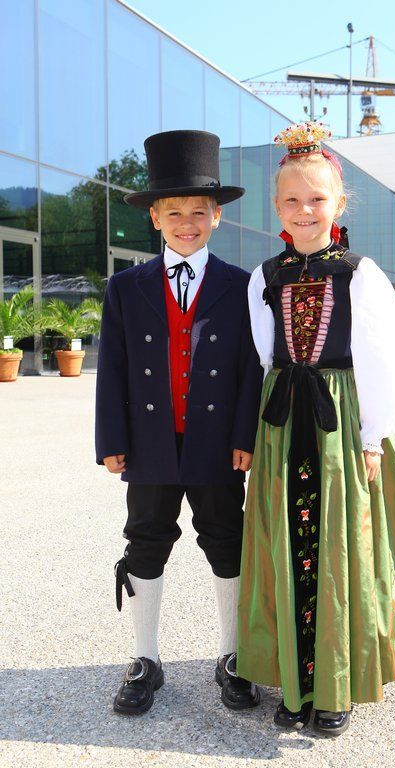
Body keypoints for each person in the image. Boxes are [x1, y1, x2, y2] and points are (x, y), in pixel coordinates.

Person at [237, 123, 395, 736]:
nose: (305, 210)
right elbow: (263, 358)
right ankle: (293, 682)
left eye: (317, 198)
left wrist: (374, 436)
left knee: (338, 543)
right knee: (287, 543)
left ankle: (334, 683)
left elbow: (387, 358)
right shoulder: (264, 276)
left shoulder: (360, 273)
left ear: (339, 204)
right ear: (277, 207)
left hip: (337, 423)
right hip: (283, 421)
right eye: (292, 200)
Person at [95, 130, 262, 715]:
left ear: (217, 216)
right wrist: (111, 440)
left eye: (198, 212)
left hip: (217, 443)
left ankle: (232, 656)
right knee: (145, 540)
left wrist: (245, 436)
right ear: (155, 219)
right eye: (173, 213)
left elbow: (251, 369)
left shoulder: (242, 286)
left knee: (226, 539)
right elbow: (112, 369)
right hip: (148, 441)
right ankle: (146, 658)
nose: (186, 223)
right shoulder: (126, 287)